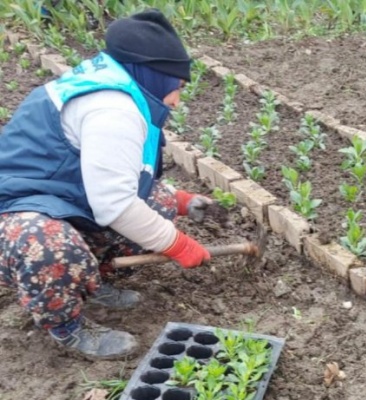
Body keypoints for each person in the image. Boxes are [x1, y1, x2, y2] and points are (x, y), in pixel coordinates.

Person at [0, 9, 212, 359]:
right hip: (14, 212)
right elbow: (114, 204)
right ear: (155, 76)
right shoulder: (113, 111)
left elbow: (119, 177)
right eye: (177, 86)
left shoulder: (117, 86)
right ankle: (67, 326)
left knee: (155, 203)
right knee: (47, 245)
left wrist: (182, 200)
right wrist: (180, 245)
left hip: (56, 196)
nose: (176, 99)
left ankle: (90, 282)